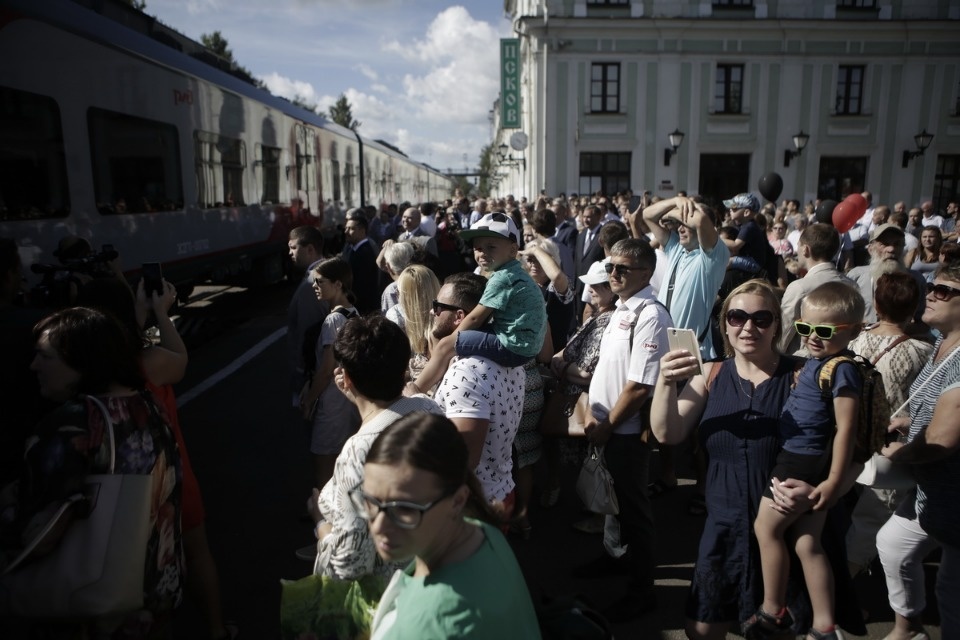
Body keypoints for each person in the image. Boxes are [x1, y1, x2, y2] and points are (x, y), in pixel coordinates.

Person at [651, 279, 865, 639]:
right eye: (737, 317)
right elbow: (667, 434)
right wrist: (664, 382)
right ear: (725, 325)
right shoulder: (710, 374)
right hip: (723, 529)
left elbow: (857, 449)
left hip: (785, 528)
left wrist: (823, 493)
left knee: (775, 632)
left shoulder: (806, 375)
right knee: (702, 630)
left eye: (761, 318)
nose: (748, 327)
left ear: (777, 326)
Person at [5, 307, 183, 639]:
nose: (34, 367)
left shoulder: (72, 423)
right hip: (153, 589)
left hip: (94, 605)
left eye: (45, 357)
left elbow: (38, 534)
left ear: (82, 361)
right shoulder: (147, 405)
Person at [358, 412, 541, 639]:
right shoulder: (481, 532)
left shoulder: (432, 623)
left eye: (405, 508)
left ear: (458, 501)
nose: (378, 526)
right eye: (371, 501)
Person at [748, 282, 864, 640]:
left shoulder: (842, 368)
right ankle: (824, 624)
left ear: (854, 331)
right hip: (808, 457)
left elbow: (845, 429)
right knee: (806, 543)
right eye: (805, 328)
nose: (813, 337)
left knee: (765, 529)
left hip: (801, 460)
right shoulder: (820, 363)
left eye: (825, 331)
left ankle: (772, 609)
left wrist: (832, 481)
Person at [305, 315, 442, 578]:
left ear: (345, 377)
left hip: (393, 595)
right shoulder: (429, 409)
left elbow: (350, 564)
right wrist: (357, 396)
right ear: (403, 368)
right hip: (435, 569)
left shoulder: (359, 451)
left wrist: (320, 522)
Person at [580, 238, 672, 623]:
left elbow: (639, 386)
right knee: (613, 507)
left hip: (625, 433)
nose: (612, 274)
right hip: (604, 426)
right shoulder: (621, 309)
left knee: (634, 512)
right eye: (610, 266)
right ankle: (614, 557)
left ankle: (642, 592)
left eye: (622, 269)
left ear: (646, 273)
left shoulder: (650, 314)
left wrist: (608, 426)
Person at [877, 264, 960, 640]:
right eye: (932, 286)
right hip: (934, 489)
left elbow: (942, 440)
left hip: (955, 496)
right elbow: (936, 409)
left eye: (943, 290)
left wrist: (898, 454)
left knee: (952, 592)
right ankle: (908, 628)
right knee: (893, 544)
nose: (930, 294)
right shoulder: (942, 342)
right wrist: (909, 421)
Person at [845, 273, 933, 576]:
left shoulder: (853, 339)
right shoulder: (924, 352)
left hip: (849, 437)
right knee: (869, 519)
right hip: (889, 444)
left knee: (850, 510)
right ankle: (847, 595)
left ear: (876, 305)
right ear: (914, 308)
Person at [408, 212, 546, 392]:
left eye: (491, 247)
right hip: (524, 345)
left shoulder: (502, 277)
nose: (482, 253)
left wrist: (452, 340)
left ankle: (416, 389)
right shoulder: (515, 272)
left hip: (513, 346)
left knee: (445, 346)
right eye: (478, 248)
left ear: (513, 250)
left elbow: (475, 319)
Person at [427, 273, 526, 511]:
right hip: (499, 491)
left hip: (474, 504)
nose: (432, 312)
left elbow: (465, 460)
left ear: (459, 316)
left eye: (438, 307)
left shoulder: (467, 372)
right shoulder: (507, 358)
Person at [300, 258, 361, 491]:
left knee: (324, 465)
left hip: (332, 402)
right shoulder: (353, 312)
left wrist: (309, 399)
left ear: (337, 284)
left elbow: (326, 370)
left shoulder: (333, 319)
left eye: (320, 281)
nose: (315, 286)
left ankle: (325, 516)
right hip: (348, 399)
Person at [779, 224, 854, 355]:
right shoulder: (852, 285)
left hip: (803, 363)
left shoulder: (800, 287)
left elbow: (783, 334)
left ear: (805, 249)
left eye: (798, 245)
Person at [287, 226, 329, 409]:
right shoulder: (325, 272)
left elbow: (308, 332)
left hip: (312, 371)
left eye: (294, 248)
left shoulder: (311, 284)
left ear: (310, 249)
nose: (289, 253)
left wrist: (303, 372)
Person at [385, 265, 440, 383]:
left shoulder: (396, 317)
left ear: (407, 297)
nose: (396, 295)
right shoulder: (446, 320)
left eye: (399, 292)